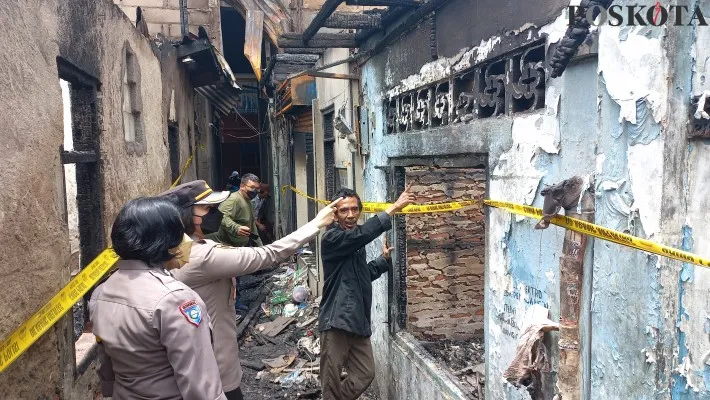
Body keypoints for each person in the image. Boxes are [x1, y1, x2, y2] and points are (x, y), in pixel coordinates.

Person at [158, 180, 341, 400]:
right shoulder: (199, 256)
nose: (215, 214)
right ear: (184, 215)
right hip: (214, 374)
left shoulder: (184, 247)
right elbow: (268, 255)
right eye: (207, 209)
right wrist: (316, 224)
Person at [89, 197, 226, 400]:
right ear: (166, 239)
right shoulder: (175, 300)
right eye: (179, 233)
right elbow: (201, 386)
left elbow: (106, 362)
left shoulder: (101, 293)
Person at [319, 185, 416, 400]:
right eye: (344, 210)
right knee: (331, 381)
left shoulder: (355, 242)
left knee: (365, 373)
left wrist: (383, 262)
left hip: (358, 320)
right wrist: (394, 208)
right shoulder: (332, 240)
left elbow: (361, 275)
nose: (351, 215)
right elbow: (360, 236)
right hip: (336, 320)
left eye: (355, 209)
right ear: (334, 214)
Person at [207, 173, 262, 248]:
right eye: (252, 187)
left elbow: (252, 225)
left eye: (257, 188)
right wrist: (236, 228)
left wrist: (260, 245)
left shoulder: (248, 200)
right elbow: (222, 216)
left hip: (239, 246)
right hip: (225, 245)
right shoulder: (234, 199)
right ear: (242, 186)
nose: (255, 191)